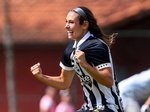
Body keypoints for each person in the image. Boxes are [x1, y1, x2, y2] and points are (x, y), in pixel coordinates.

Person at [30, 6, 124, 112]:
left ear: (84, 24)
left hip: (108, 107)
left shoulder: (96, 46)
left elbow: (108, 81)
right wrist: (41, 77)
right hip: (89, 108)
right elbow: (64, 82)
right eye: (66, 22)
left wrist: (85, 65)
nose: (66, 26)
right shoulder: (70, 50)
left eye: (71, 22)